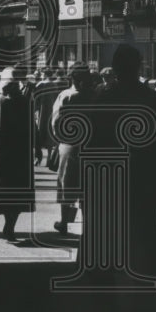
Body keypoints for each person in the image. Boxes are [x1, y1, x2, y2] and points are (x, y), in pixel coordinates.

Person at [83, 44, 156, 279]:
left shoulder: (103, 97)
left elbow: (91, 142)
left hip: (108, 178)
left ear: (117, 68)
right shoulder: (152, 98)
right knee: (143, 237)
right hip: (142, 177)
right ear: (138, 67)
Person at [0, 66, 37, 241]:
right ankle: (11, 225)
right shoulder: (27, 102)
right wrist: (36, 149)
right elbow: (33, 128)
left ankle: (8, 224)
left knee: (4, 187)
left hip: (3, 151)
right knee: (19, 188)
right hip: (22, 152)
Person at [51, 62, 95, 235]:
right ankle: (87, 224)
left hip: (70, 145)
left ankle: (64, 222)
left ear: (72, 78)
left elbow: (55, 121)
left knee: (66, 184)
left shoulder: (66, 96)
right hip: (91, 145)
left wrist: (59, 139)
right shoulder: (95, 95)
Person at [33, 68, 58, 167]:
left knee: (38, 134)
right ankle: (49, 157)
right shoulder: (54, 85)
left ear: (45, 74)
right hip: (51, 111)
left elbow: (35, 99)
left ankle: (37, 158)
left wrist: (35, 110)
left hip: (41, 112)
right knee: (49, 134)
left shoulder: (40, 84)